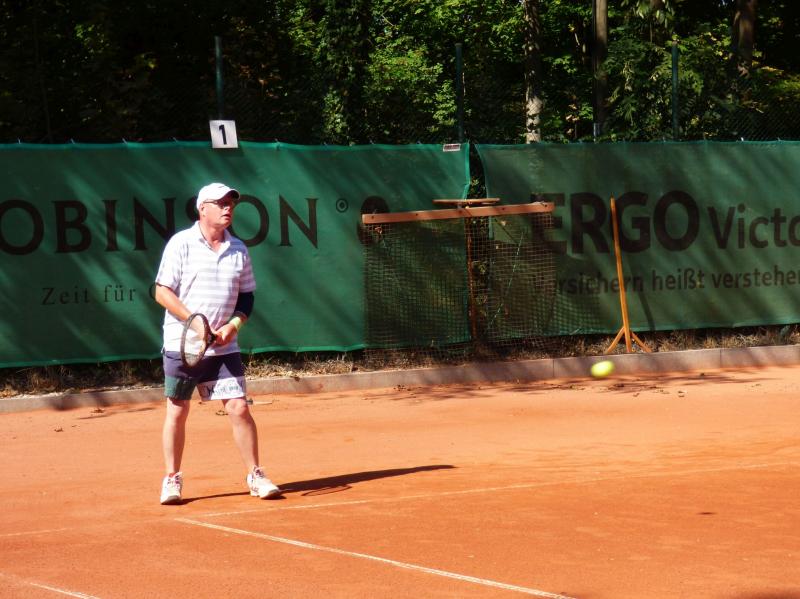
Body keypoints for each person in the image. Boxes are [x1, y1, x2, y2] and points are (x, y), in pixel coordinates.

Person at [154, 182, 281, 505]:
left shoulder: (239, 248)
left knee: (239, 407)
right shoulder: (181, 243)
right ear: (203, 209)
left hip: (223, 348)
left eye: (231, 204)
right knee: (177, 410)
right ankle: (171, 479)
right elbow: (162, 291)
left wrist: (233, 325)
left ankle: (255, 474)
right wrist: (194, 322)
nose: (228, 208)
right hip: (183, 345)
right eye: (221, 203)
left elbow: (247, 296)